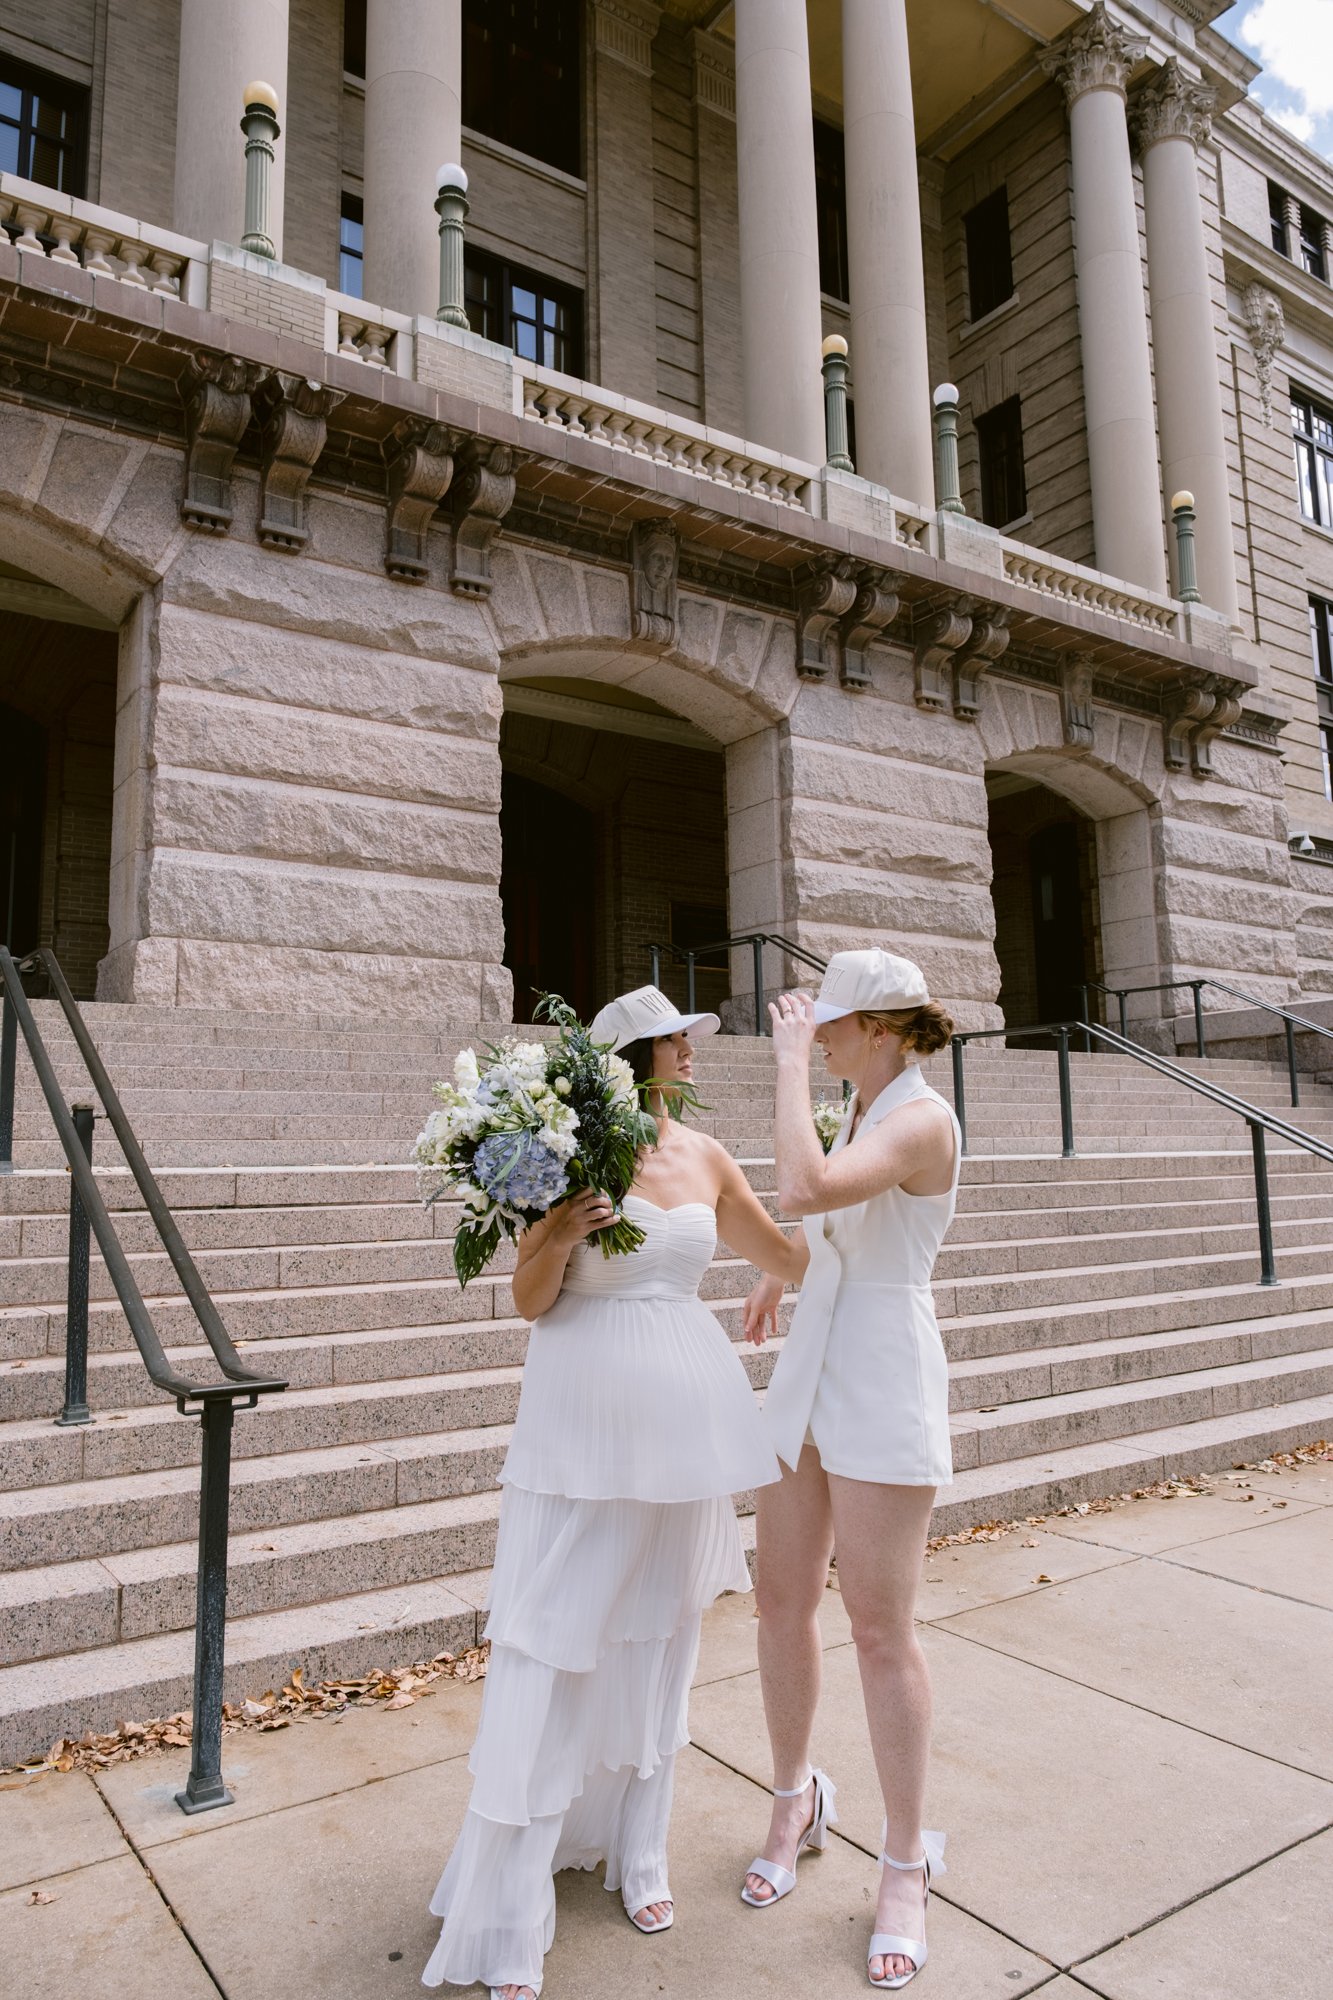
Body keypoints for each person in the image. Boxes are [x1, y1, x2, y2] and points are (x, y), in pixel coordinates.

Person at [423, 983, 807, 2000]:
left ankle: (641, 1851)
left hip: (688, 1430)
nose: (691, 1046)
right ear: (637, 1054)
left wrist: (849, 1223)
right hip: (580, 1417)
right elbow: (526, 1297)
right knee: (554, 1638)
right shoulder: (552, 1149)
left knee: (660, 1633)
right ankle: (508, 1907)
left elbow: (786, 1250)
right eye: (678, 1036)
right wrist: (558, 1227)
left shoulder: (706, 1156)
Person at [740, 949, 959, 1992]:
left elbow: (801, 1185)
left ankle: (906, 1861)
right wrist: (780, 1274)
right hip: (811, 1372)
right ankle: (794, 1796)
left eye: (828, 1023)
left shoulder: (921, 1117)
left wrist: (783, 1062)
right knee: (778, 1599)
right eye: (810, 1026)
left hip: (881, 1378)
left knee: (880, 1629)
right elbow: (824, 1228)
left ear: (878, 1025)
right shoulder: (858, 1114)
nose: (816, 1033)